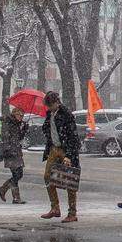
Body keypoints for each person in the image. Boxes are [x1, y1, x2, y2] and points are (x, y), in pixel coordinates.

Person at [40, 91, 80, 222]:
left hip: (65, 150)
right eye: (48, 106)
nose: (49, 108)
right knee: (47, 176)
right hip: (54, 148)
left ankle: (72, 213)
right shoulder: (50, 115)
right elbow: (49, 131)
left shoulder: (66, 115)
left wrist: (69, 155)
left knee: (70, 181)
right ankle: (55, 207)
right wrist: (46, 126)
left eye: (50, 105)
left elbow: (73, 137)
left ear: (57, 102)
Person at [0, 106, 28, 204]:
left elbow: (18, 137)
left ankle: (10, 193)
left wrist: (24, 129)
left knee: (17, 174)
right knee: (17, 174)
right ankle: (7, 192)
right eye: (19, 114)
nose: (21, 117)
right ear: (14, 113)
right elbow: (5, 137)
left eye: (22, 115)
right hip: (10, 152)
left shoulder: (16, 123)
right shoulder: (8, 122)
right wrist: (10, 147)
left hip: (16, 151)